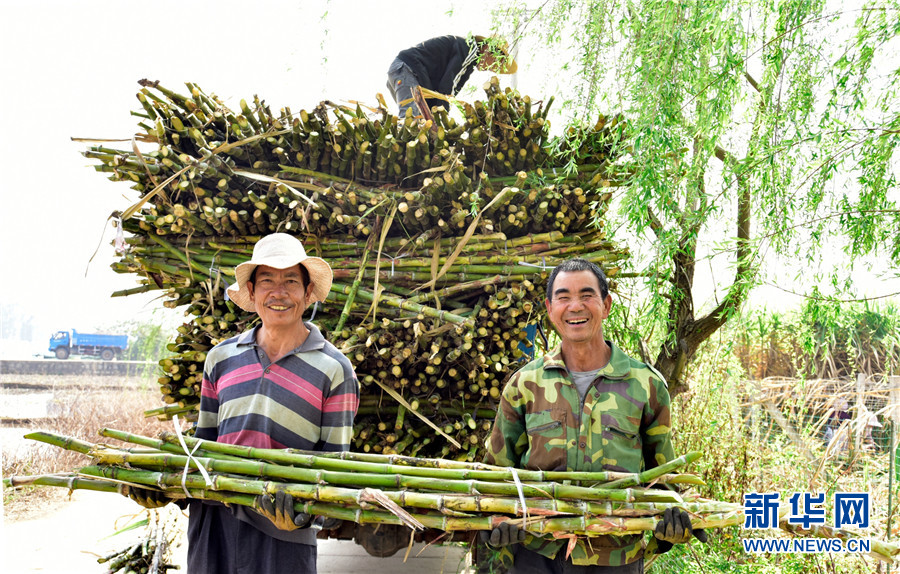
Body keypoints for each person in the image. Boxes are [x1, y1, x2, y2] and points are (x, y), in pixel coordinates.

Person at [124, 233, 359, 574]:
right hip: (213, 522)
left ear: (308, 293)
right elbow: (201, 445)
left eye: (291, 281)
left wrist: (305, 515)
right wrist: (168, 487)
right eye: (267, 281)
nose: (278, 292)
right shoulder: (220, 358)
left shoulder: (334, 369)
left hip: (283, 533)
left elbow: (334, 466)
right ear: (251, 292)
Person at [481, 258, 707, 573]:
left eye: (587, 295)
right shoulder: (525, 384)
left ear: (606, 305)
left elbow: (662, 477)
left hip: (618, 556)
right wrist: (495, 524)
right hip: (538, 555)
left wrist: (669, 523)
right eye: (563, 297)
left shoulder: (646, 385)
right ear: (549, 308)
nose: (575, 306)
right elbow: (497, 476)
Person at [386, 34, 517, 118]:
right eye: (494, 64)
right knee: (410, 118)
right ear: (489, 50)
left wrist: (437, 112)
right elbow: (448, 84)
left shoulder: (468, 62)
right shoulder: (469, 50)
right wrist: (442, 113)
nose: (491, 69)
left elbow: (451, 89)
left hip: (404, 73)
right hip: (406, 70)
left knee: (420, 120)